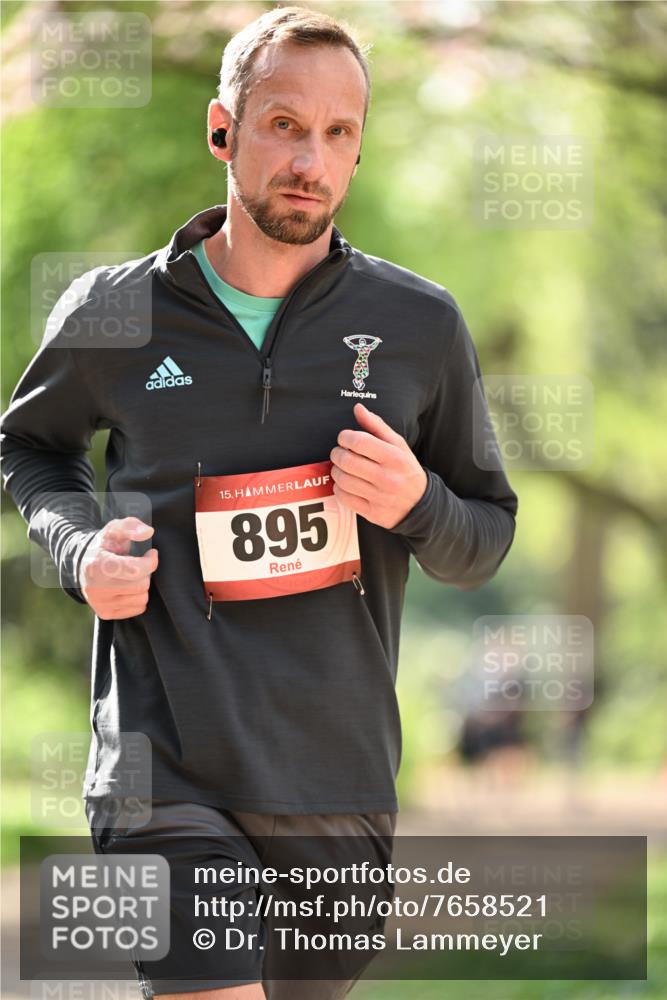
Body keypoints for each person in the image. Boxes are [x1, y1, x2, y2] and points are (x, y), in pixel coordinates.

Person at [0, 6, 518, 999]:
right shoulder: (117, 311)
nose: (309, 159)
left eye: (338, 134)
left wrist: (415, 502)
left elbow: (483, 538)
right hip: (165, 769)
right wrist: (79, 556)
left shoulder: (417, 326)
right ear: (222, 129)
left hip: (336, 784)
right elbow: (29, 443)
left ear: (359, 151)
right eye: (283, 124)